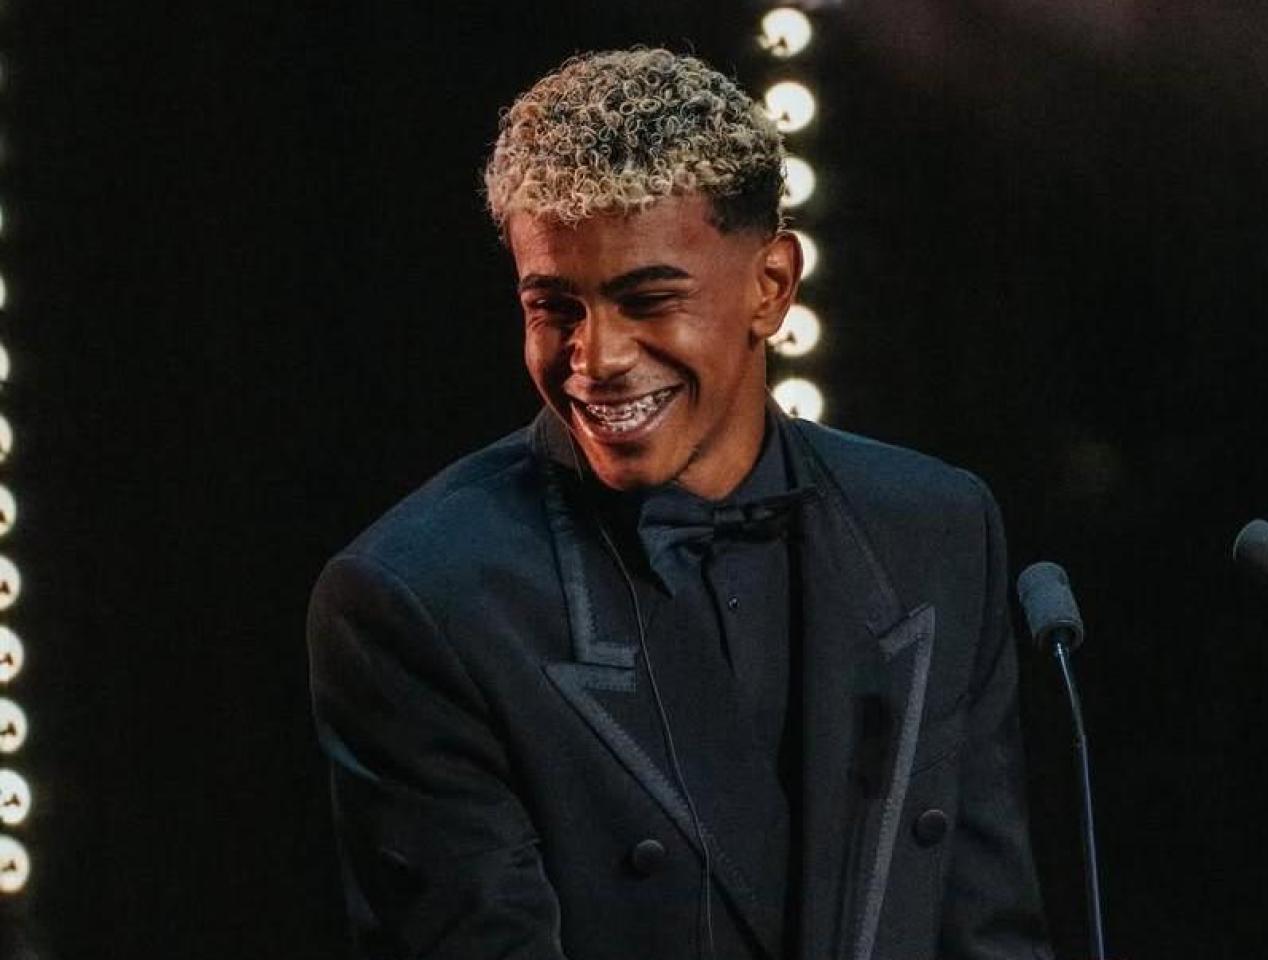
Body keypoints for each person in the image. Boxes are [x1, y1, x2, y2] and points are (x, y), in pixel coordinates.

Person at [307, 48, 1053, 960]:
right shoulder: (421, 596)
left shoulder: (935, 529)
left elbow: (988, 931)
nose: (596, 357)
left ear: (772, 286)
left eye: (647, 299)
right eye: (554, 308)